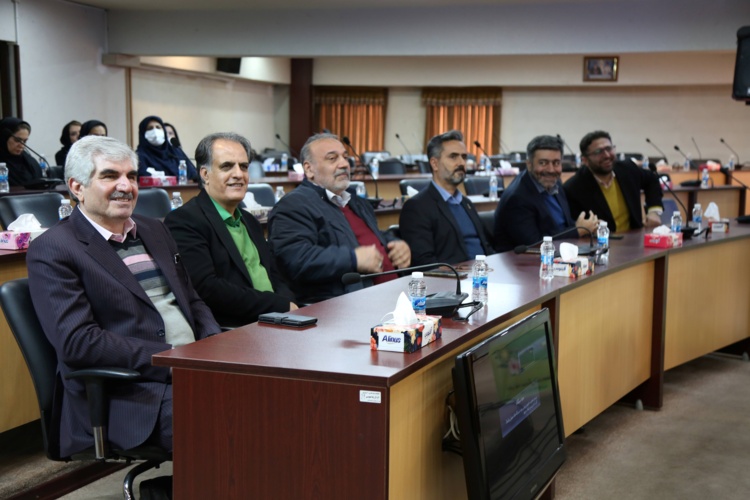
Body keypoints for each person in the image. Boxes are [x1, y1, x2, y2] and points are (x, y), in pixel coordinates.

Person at [27, 135, 220, 457]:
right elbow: (78, 342)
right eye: (109, 176)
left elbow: (192, 300)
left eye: (131, 176)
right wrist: (171, 359)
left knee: (280, 396)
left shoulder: (154, 230)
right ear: (76, 187)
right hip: (132, 391)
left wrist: (214, 347)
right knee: (232, 418)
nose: (126, 186)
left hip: (195, 368)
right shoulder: (53, 249)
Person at [165, 132, 297, 327]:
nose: (238, 174)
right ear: (205, 174)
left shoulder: (250, 221)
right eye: (227, 166)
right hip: (236, 328)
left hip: (279, 320)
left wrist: (289, 304)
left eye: (243, 166)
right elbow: (207, 289)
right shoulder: (185, 221)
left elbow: (275, 274)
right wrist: (280, 306)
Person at [267, 133, 411, 303]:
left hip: (397, 297)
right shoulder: (293, 206)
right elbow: (296, 260)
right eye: (332, 158)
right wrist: (353, 259)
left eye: (345, 157)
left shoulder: (355, 201)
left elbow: (370, 235)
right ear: (309, 169)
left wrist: (394, 244)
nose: (344, 164)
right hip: (347, 305)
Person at [399, 130, 494, 266]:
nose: (461, 163)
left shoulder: (466, 203)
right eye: (453, 157)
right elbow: (424, 262)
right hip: (454, 277)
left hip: (484, 273)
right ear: (434, 164)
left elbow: (486, 248)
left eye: (464, 157)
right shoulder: (416, 207)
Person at [494, 135, 598, 252]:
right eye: (543, 163)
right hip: (522, 260)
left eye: (556, 163)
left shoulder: (555, 182)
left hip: (560, 252)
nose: (551, 170)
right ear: (529, 164)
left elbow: (563, 225)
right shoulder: (517, 197)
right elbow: (534, 243)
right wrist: (577, 230)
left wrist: (588, 225)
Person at [564, 130, 663, 232]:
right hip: (603, 240)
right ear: (585, 160)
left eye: (608, 148)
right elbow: (575, 227)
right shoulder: (573, 188)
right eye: (598, 152)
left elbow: (652, 179)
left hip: (635, 236)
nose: (607, 155)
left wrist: (654, 211)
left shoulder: (627, 169)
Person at [136, 115, 197, 181]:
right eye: (150, 128)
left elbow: (194, 174)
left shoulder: (176, 152)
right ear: (143, 134)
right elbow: (142, 177)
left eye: (158, 127)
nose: (155, 131)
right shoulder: (139, 156)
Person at [0, 117, 43, 187]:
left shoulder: (29, 161)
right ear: (4, 137)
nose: (22, 145)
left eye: (25, 141)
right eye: (17, 140)